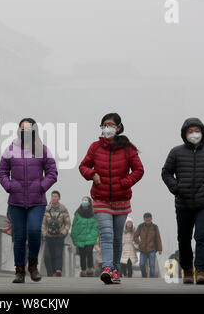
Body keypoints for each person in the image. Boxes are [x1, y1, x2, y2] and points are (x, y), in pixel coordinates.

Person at [79, 113, 144, 284]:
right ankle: (107, 268)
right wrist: (92, 174)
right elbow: (83, 166)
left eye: (110, 125)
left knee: (116, 237)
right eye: (104, 125)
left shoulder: (128, 148)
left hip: (121, 199)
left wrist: (125, 182)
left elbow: (139, 170)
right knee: (106, 234)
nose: (107, 128)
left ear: (119, 127)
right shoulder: (95, 147)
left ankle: (116, 269)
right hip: (100, 198)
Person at [162, 118, 204, 284]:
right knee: (183, 238)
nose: (194, 134)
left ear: (203, 133)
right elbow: (166, 172)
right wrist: (175, 187)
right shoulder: (176, 152)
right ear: (184, 134)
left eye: (197, 130)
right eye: (190, 131)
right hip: (183, 203)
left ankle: (201, 272)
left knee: (202, 236)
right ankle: (188, 271)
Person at [0, 118, 58, 283]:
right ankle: (19, 270)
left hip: (36, 200)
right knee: (19, 236)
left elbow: (52, 172)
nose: (25, 131)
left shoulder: (42, 149)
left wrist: (41, 186)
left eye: (29, 128)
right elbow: (2, 171)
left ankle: (33, 265)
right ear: (18, 130)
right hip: (16, 200)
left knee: (33, 231)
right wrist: (9, 186)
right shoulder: (10, 149)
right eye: (22, 128)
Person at [41, 191, 71, 277]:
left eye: (55, 196)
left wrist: (64, 232)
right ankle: (51, 273)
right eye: (52, 196)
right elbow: (43, 223)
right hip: (49, 236)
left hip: (59, 236)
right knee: (47, 256)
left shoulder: (63, 209)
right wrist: (44, 233)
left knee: (58, 254)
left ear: (59, 198)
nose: (54, 198)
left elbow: (67, 223)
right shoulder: (47, 209)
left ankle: (58, 270)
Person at [70, 196, 99, 277]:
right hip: (80, 237)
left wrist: (93, 235)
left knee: (89, 252)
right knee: (82, 255)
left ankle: (90, 268)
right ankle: (83, 270)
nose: (84, 202)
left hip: (90, 236)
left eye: (86, 200)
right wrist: (74, 236)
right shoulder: (78, 213)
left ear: (89, 203)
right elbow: (74, 226)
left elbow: (96, 226)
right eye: (83, 200)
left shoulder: (93, 213)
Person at [134, 212, 162, 278]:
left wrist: (160, 249)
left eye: (149, 220)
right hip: (143, 250)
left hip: (152, 249)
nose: (148, 221)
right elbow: (135, 236)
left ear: (151, 219)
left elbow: (158, 238)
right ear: (144, 219)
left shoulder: (155, 227)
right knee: (141, 265)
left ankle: (152, 279)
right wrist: (139, 243)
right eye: (146, 220)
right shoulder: (140, 226)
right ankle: (144, 275)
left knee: (152, 266)